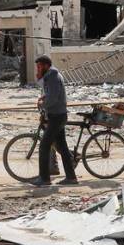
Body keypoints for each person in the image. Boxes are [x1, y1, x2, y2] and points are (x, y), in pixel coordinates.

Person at [32, 55, 78, 186]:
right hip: (58, 115)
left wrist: (43, 104)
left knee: (44, 146)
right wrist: (43, 97)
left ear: (46, 66)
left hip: (56, 116)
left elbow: (53, 98)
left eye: (39, 67)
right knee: (62, 148)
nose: (38, 69)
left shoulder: (53, 77)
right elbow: (50, 93)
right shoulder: (50, 76)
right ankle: (71, 178)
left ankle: (44, 179)